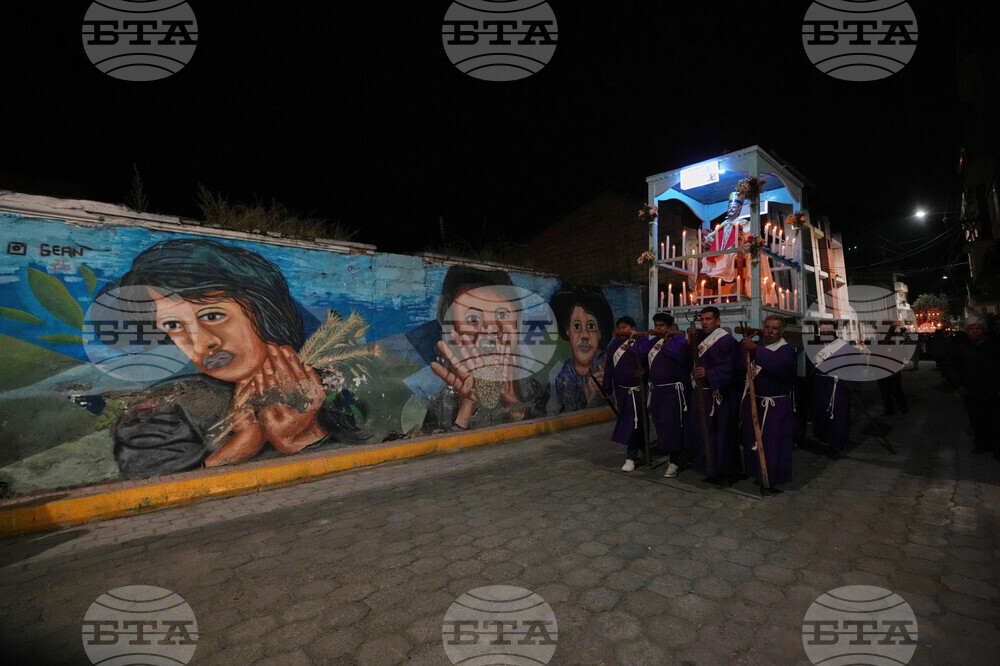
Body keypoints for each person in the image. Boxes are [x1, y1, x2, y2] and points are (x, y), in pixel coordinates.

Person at [106, 239, 362, 477]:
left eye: (212, 316)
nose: (202, 342)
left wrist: (303, 437)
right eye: (173, 324)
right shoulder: (159, 416)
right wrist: (241, 445)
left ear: (263, 313)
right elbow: (156, 490)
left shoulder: (334, 391)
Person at [423, 266, 549, 432]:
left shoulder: (531, 389)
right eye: (473, 318)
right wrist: (467, 405)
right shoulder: (444, 399)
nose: (491, 329)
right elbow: (442, 450)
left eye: (502, 316)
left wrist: (513, 403)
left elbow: (541, 438)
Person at [739, 315, 796, 493]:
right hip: (755, 400)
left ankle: (770, 478)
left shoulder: (786, 349)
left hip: (774, 406)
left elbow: (780, 365)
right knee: (753, 439)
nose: (769, 331)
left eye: (774, 328)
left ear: (781, 332)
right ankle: (758, 472)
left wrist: (755, 349)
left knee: (772, 443)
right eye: (767, 327)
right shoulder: (758, 345)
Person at [687, 306, 740, 484]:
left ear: (718, 321)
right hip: (701, 394)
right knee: (703, 432)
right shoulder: (700, 339)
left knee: (722, 433)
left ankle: (725, 472)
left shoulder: (726, 341)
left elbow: (731, 368)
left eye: (708, 319)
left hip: (719, 393)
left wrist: (709, 373)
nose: (704, 323)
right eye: (702, 319)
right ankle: (708, 468)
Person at [940, 315, 1000, 457]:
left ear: (984, 329)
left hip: (994, 389)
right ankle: (981, 444)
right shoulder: (959, 345)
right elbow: (949, 366)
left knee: (995, 420)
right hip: (971, 391)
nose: (974, 331)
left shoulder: (994, 344)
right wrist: (957, 384)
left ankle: (996, 447)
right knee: (977, 420)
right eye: (970, 329)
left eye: (977, 328)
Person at [550, 286, 613, 412]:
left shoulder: (610, 363)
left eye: (591, 326)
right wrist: (587, 398)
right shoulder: (562, 378)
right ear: (568, 331)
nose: (584, 335)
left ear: (600, 333)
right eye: (577, 326)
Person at [641, 312, 689, 478]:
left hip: (672, 391)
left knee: (673, 426)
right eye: (656, 325)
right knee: (661, 425)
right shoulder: (654, 342)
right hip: (657, 390)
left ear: (669, 327)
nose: (658, 328)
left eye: (662, 326)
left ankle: (674, 461)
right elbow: (642, 354)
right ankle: (671, 454)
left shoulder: (679, 340)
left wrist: (668, 340)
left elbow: (679, 356)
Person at [809, 330, 860, 458]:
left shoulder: (846, 348)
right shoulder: (816, 346)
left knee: (838, 415)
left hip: (838, 386)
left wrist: (853, 384)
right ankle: (824, 439)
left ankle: (837, 442)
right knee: (822, 413)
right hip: (821, 385)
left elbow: (856, 367)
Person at [603, 316, 644, 471]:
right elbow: (609, 368)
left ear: (633, 328)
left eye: (625, 327)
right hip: (621, 391)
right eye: (619, 327)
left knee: (634, 422)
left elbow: (645, 360)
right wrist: (607, 387)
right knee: (632, 422)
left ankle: (631, 456)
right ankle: (640, 450)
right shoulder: (614, 346)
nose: (621, 330)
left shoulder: (640, 343)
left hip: (638, 391)